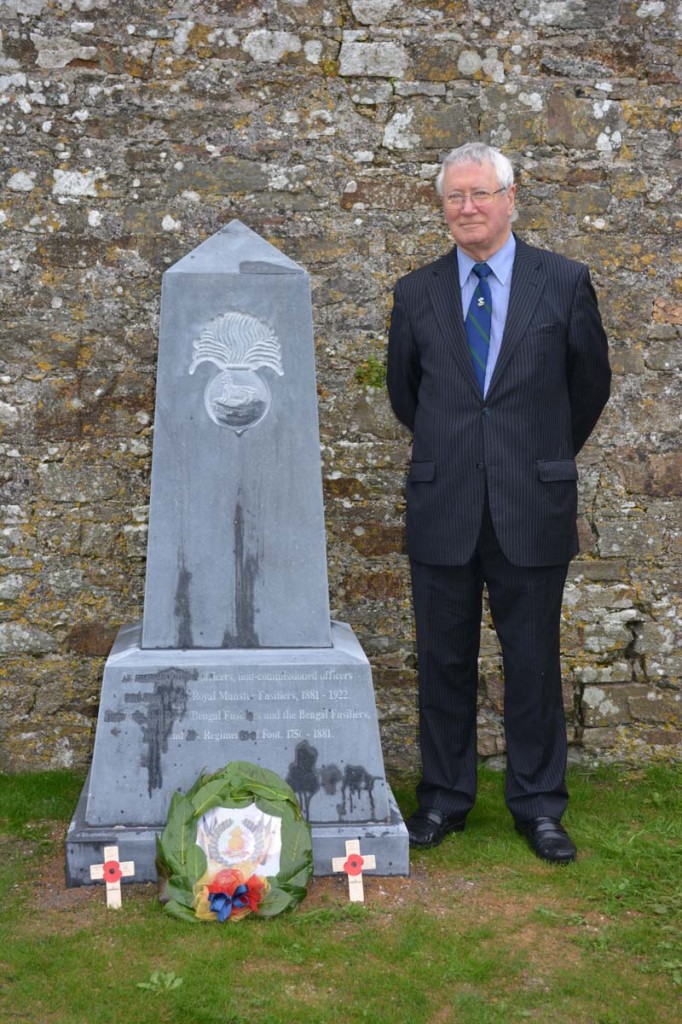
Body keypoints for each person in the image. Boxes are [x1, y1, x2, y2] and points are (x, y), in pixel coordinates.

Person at [387, 142, 611, 863]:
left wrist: (535, 455)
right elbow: (406, 395)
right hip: (444, 503)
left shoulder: (565, 282)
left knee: (533, 662)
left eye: (480, 194)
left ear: (511, 198)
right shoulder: (415, 292)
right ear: (442, 207)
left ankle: (539, 807)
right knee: (443, 662)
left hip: (530, 504)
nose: (468, 208)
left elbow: (589, 389)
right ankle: (445, 801)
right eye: (454, 197)